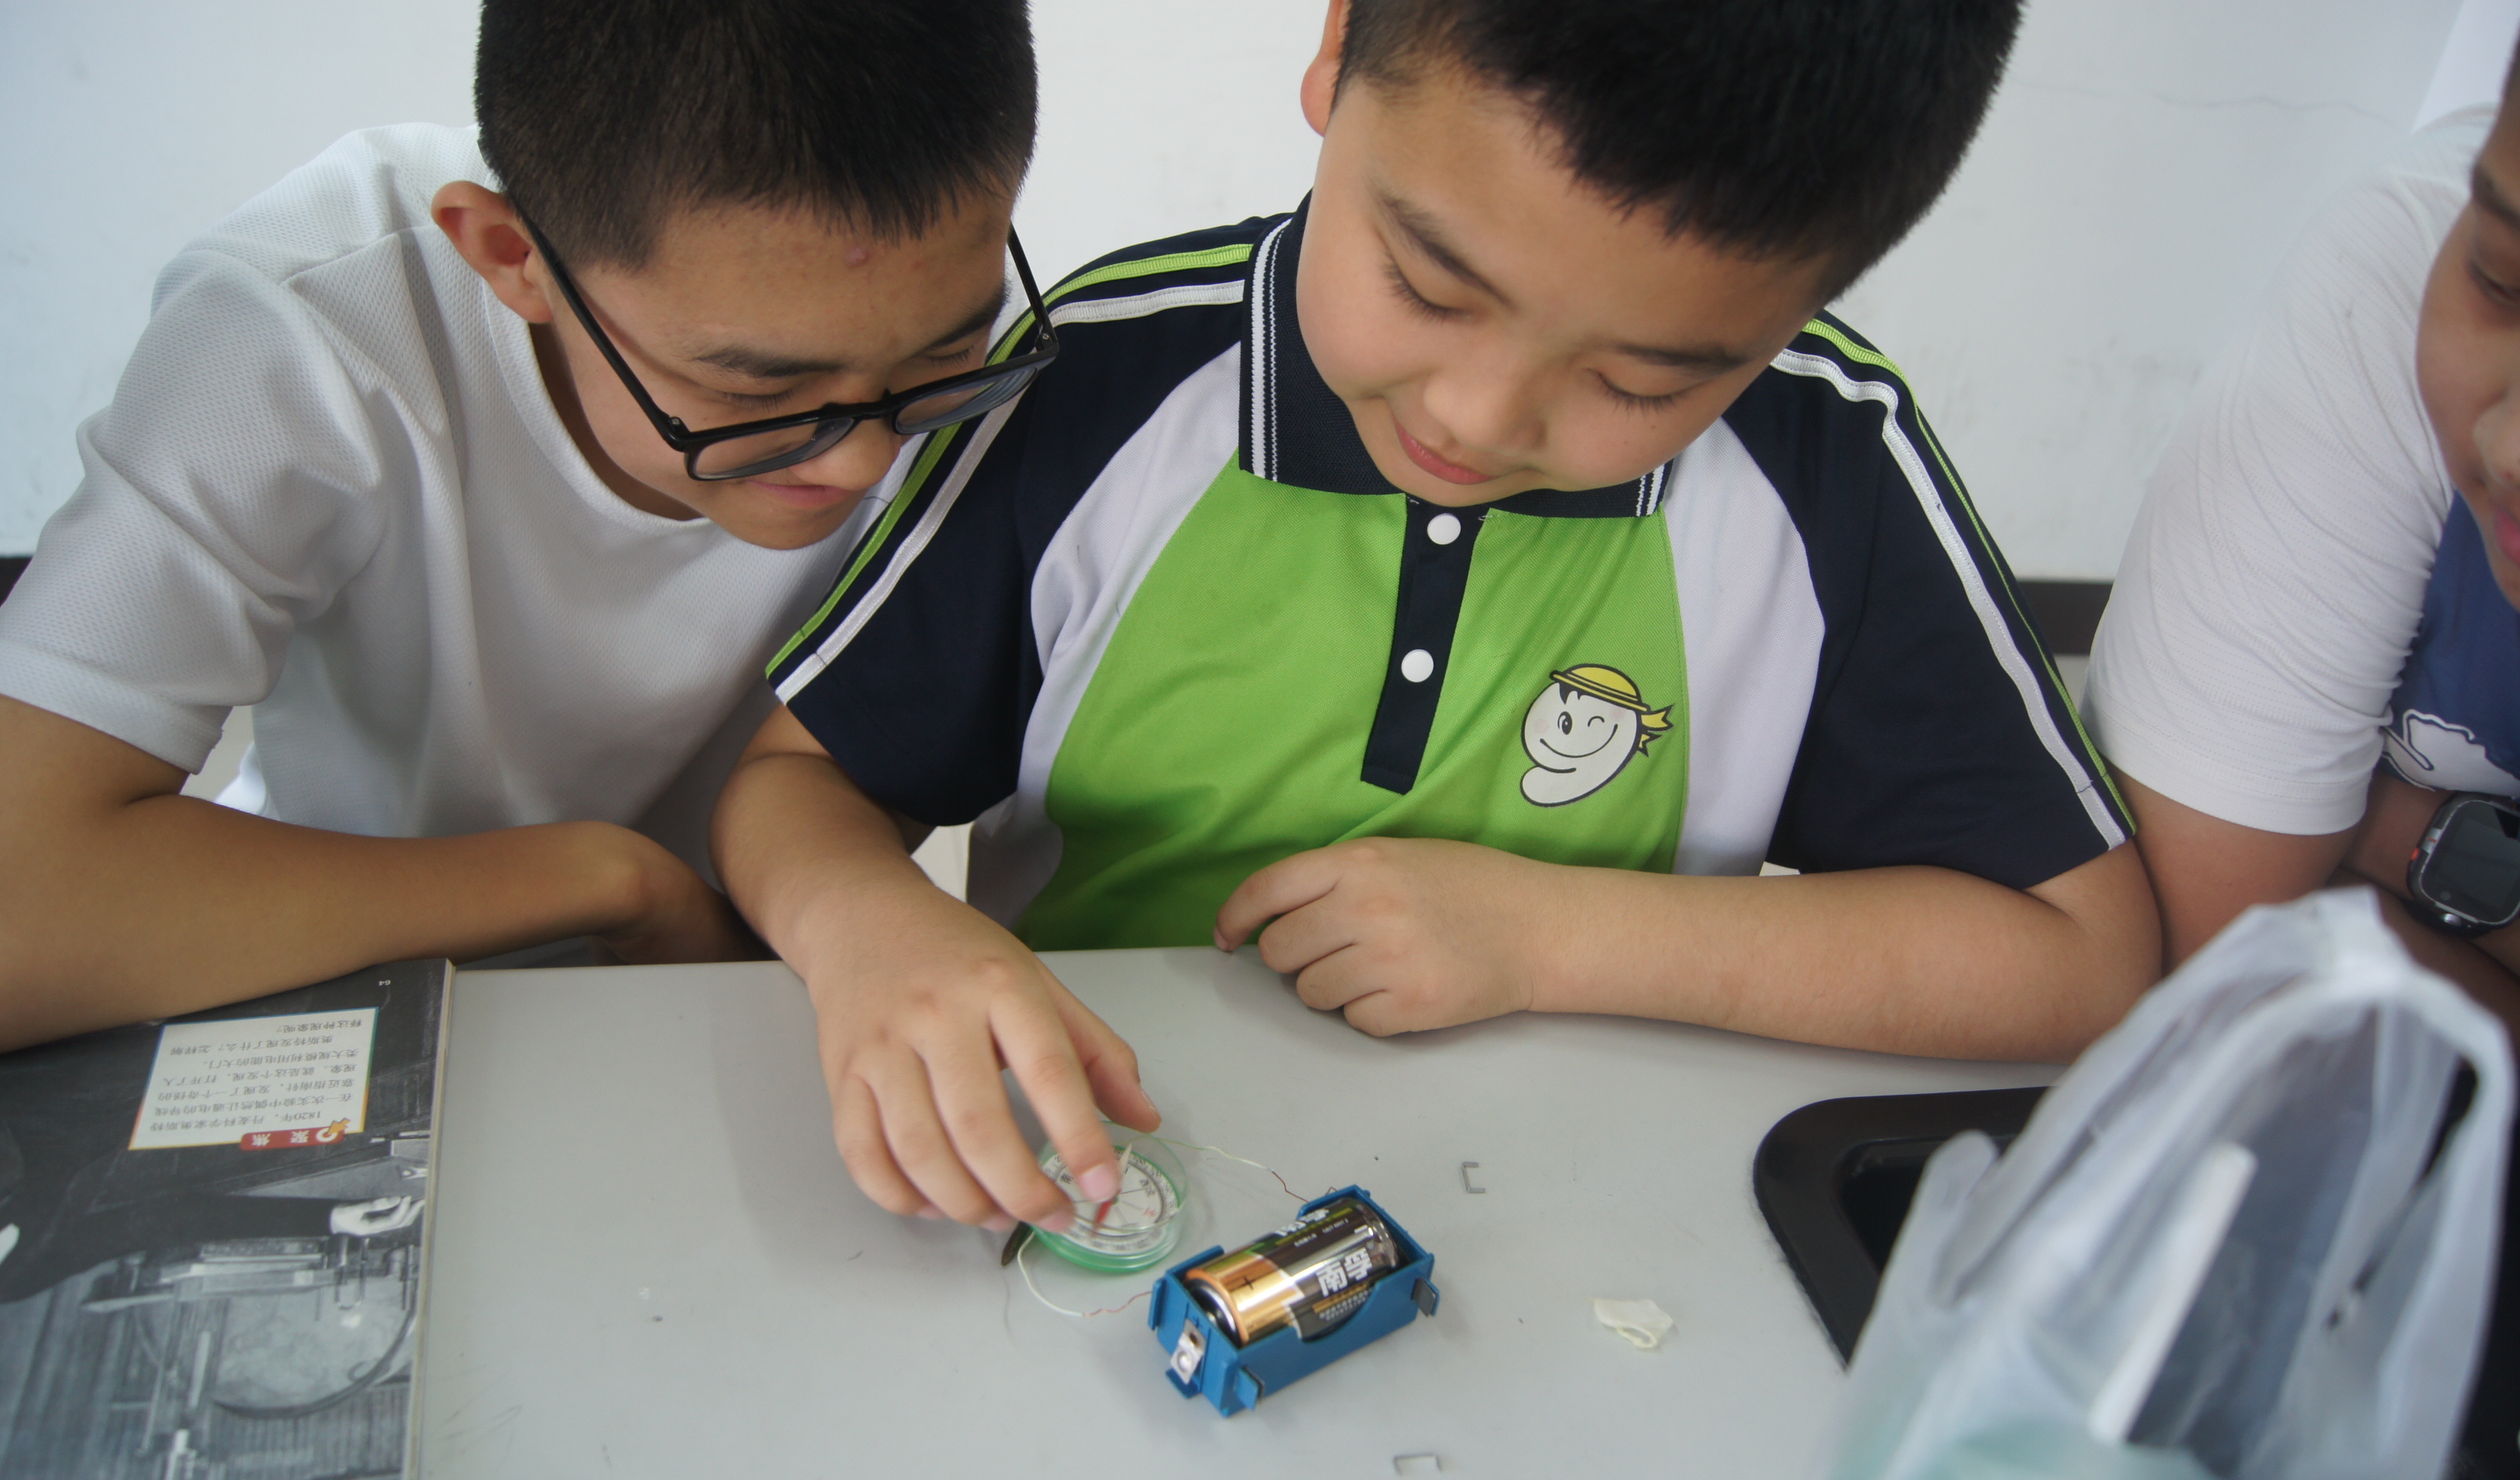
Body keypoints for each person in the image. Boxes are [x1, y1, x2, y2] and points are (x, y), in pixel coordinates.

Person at [712, 0, 2160, 1236]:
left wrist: (1553, 935)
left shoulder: (1818, 459)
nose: (1475, 418)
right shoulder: (1100, 384)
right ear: (1339, 45)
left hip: (1585, 1227)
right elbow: (794, 783)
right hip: (1097, 1185)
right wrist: (870, 930)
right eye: (1423, 284)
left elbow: (2081, 958)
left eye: (1639, 382)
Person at [0, 0, 1045, 1053]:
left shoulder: (986, 339)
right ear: (511, 258)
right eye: (757, 391)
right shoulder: (305, 336)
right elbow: (23, 906)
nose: (862, 462)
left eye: (941, 356)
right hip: (323, 967)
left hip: (745, 989)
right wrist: (609, 880)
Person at [2081, 68, 2520, 1028]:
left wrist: (2379, 824)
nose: (2508, 447)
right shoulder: (2394, 274)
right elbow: (2207, 947)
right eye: (2495, 277)